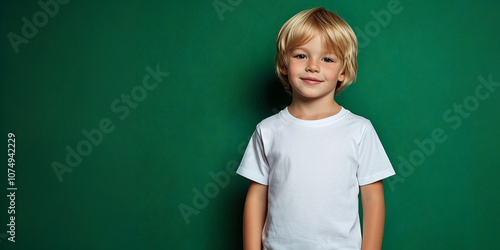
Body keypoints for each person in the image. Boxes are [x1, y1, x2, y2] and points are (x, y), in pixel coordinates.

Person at [236, 7, 396, 250]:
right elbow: (257, 198)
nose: (313, 66)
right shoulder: (267, 131)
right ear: (283, 65)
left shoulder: (359, 130)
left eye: (327, 59)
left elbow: (373, 199)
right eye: (301, 56)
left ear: (343, 71)